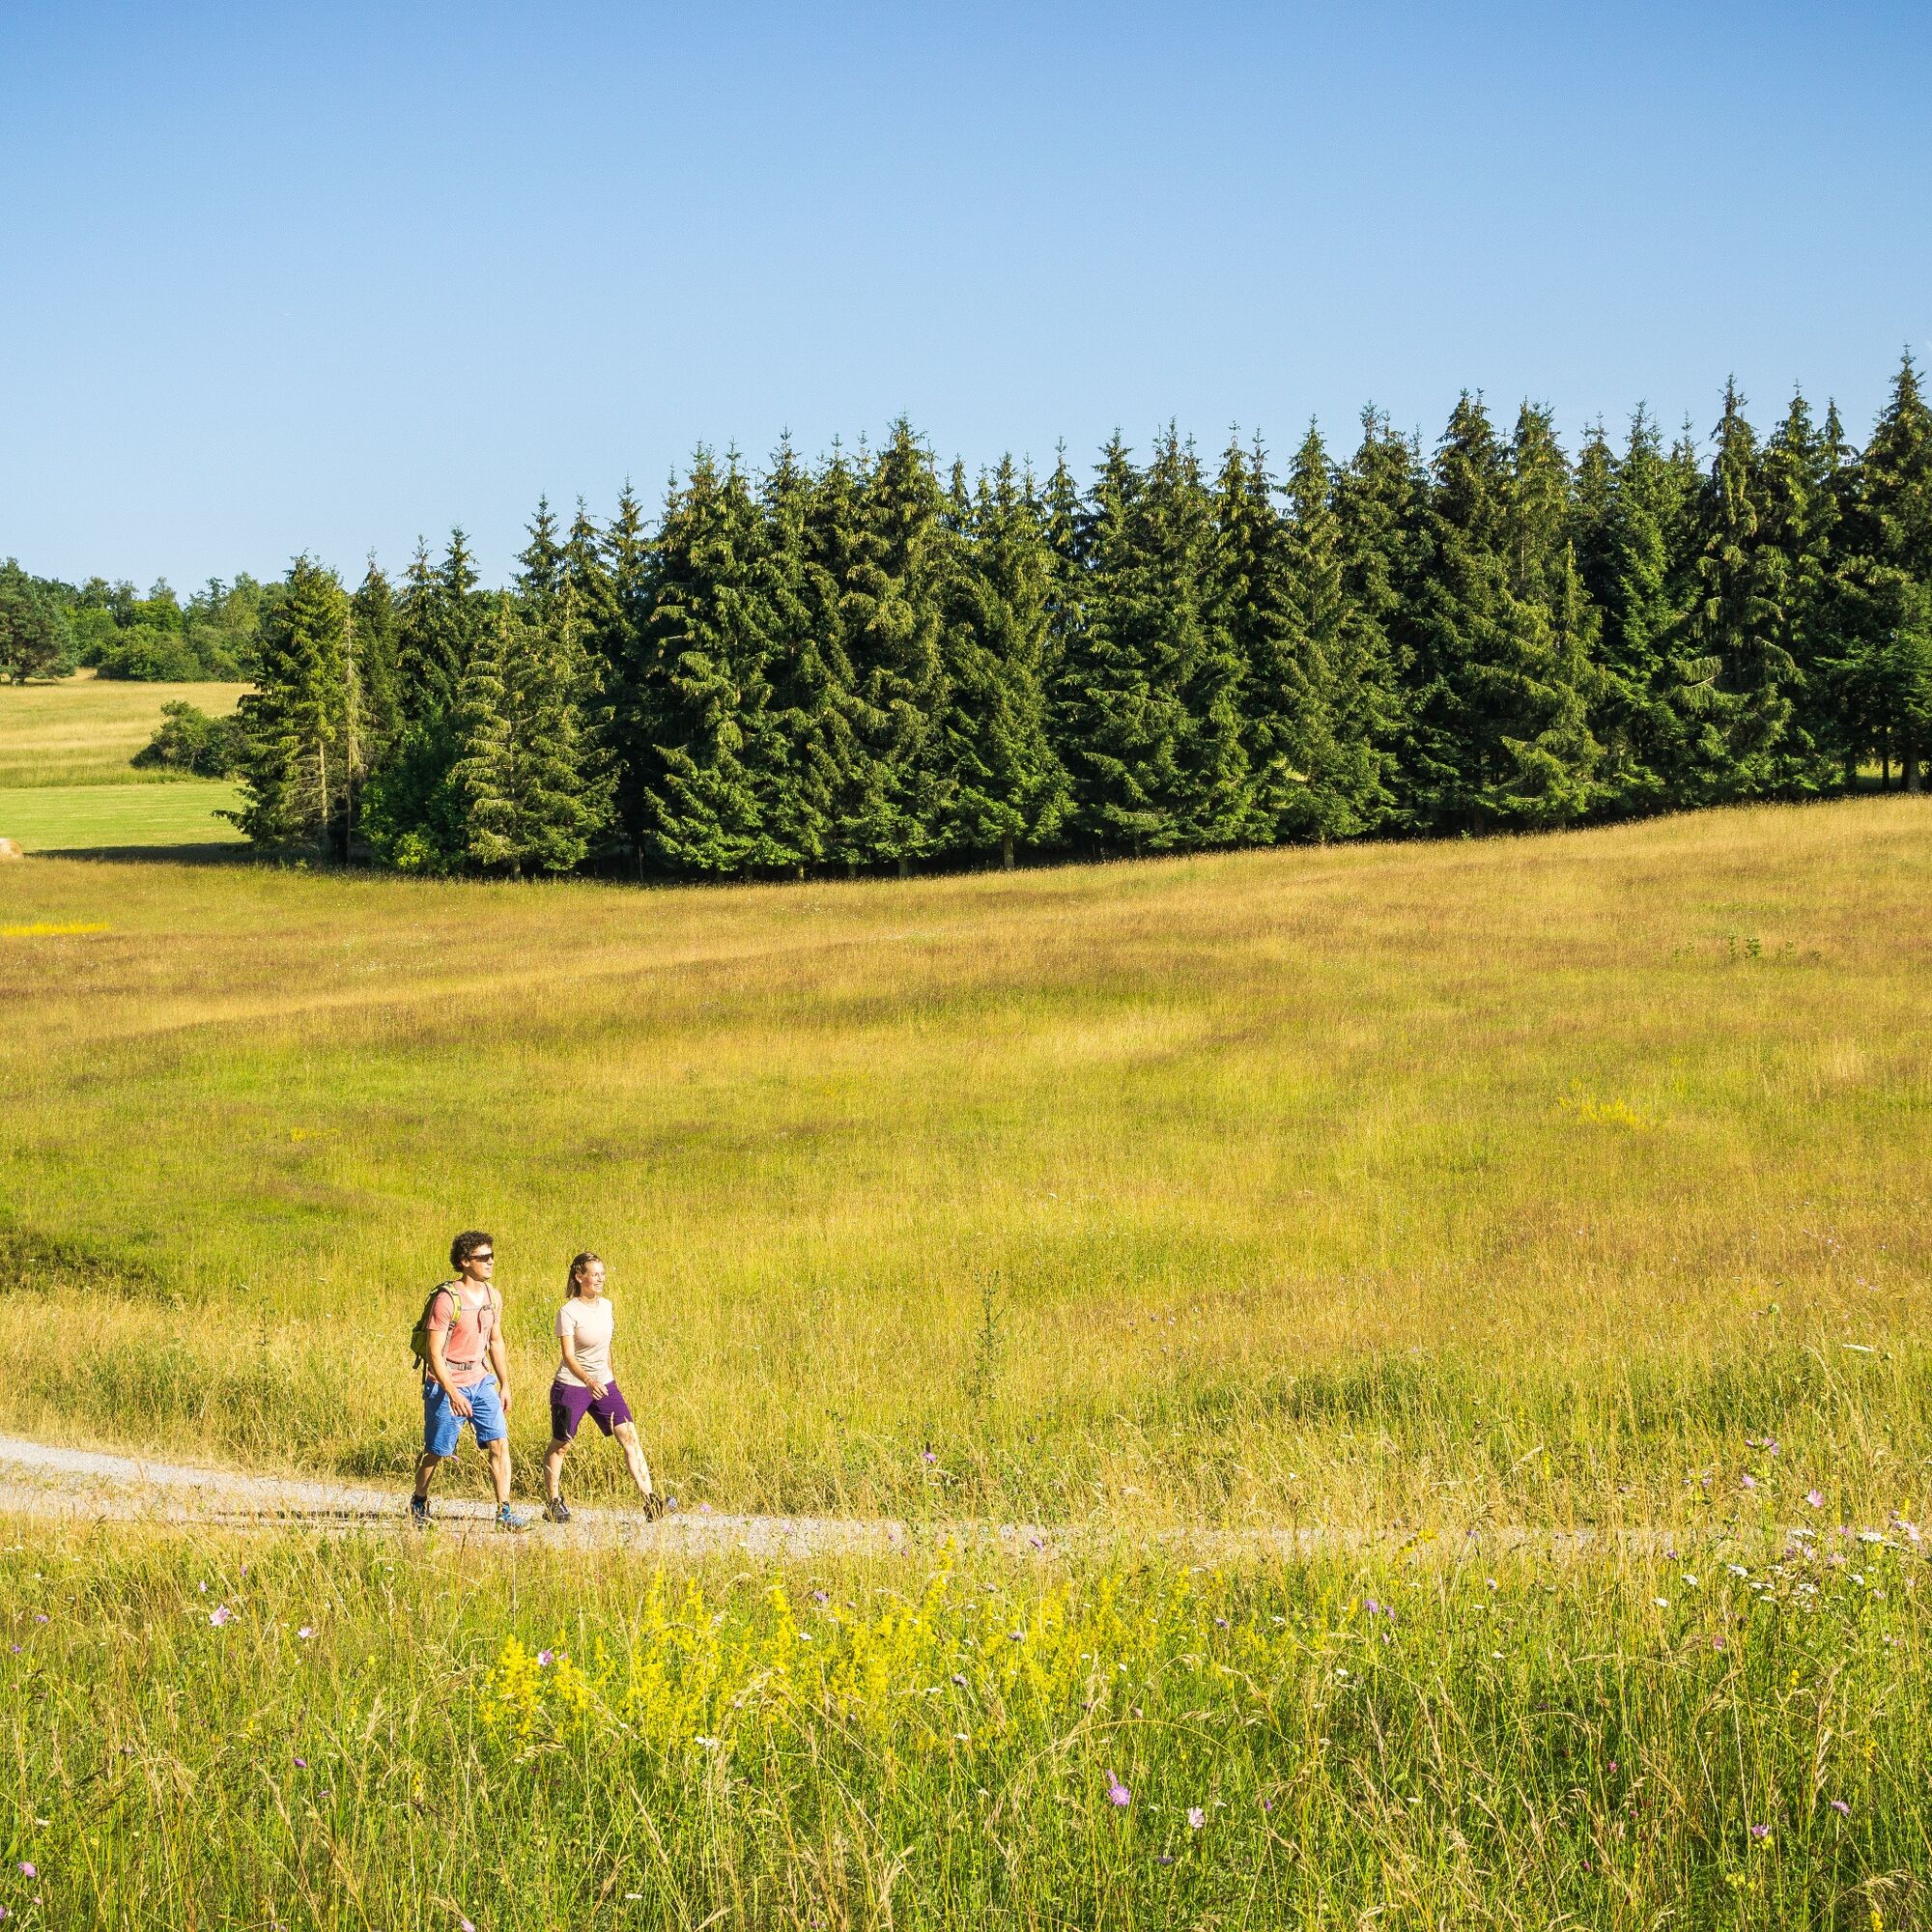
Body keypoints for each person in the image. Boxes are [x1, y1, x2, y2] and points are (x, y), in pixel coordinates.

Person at [411, 1230, 532, 1530]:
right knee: (437, 1451)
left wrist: (505, 1384)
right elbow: (434, 1353)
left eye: (492, 1256)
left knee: (499, 1443)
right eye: (483, 1257)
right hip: (446, 1383)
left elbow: (495, 1341)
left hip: (481, 1380)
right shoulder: (446, 1300)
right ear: (465, 1261)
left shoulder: (493, 1296)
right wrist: (453, 1393)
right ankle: (419, 1500)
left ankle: (504, 1511)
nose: (491, 1262)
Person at [542, 1251, 665, 1523]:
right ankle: (553, 1502)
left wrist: (611, 1379)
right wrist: (588, 1381)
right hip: (572, 1385)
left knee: (629, 1437)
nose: (600, 1279)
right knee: (562, 1444)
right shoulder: (568, 1312)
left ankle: (651, 1502)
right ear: (579, 1277)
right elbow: (568, 1356)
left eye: (602, 1274)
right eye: (594, 1274)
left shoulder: (607, 1306)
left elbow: (607, 1347)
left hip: (604, 1383)